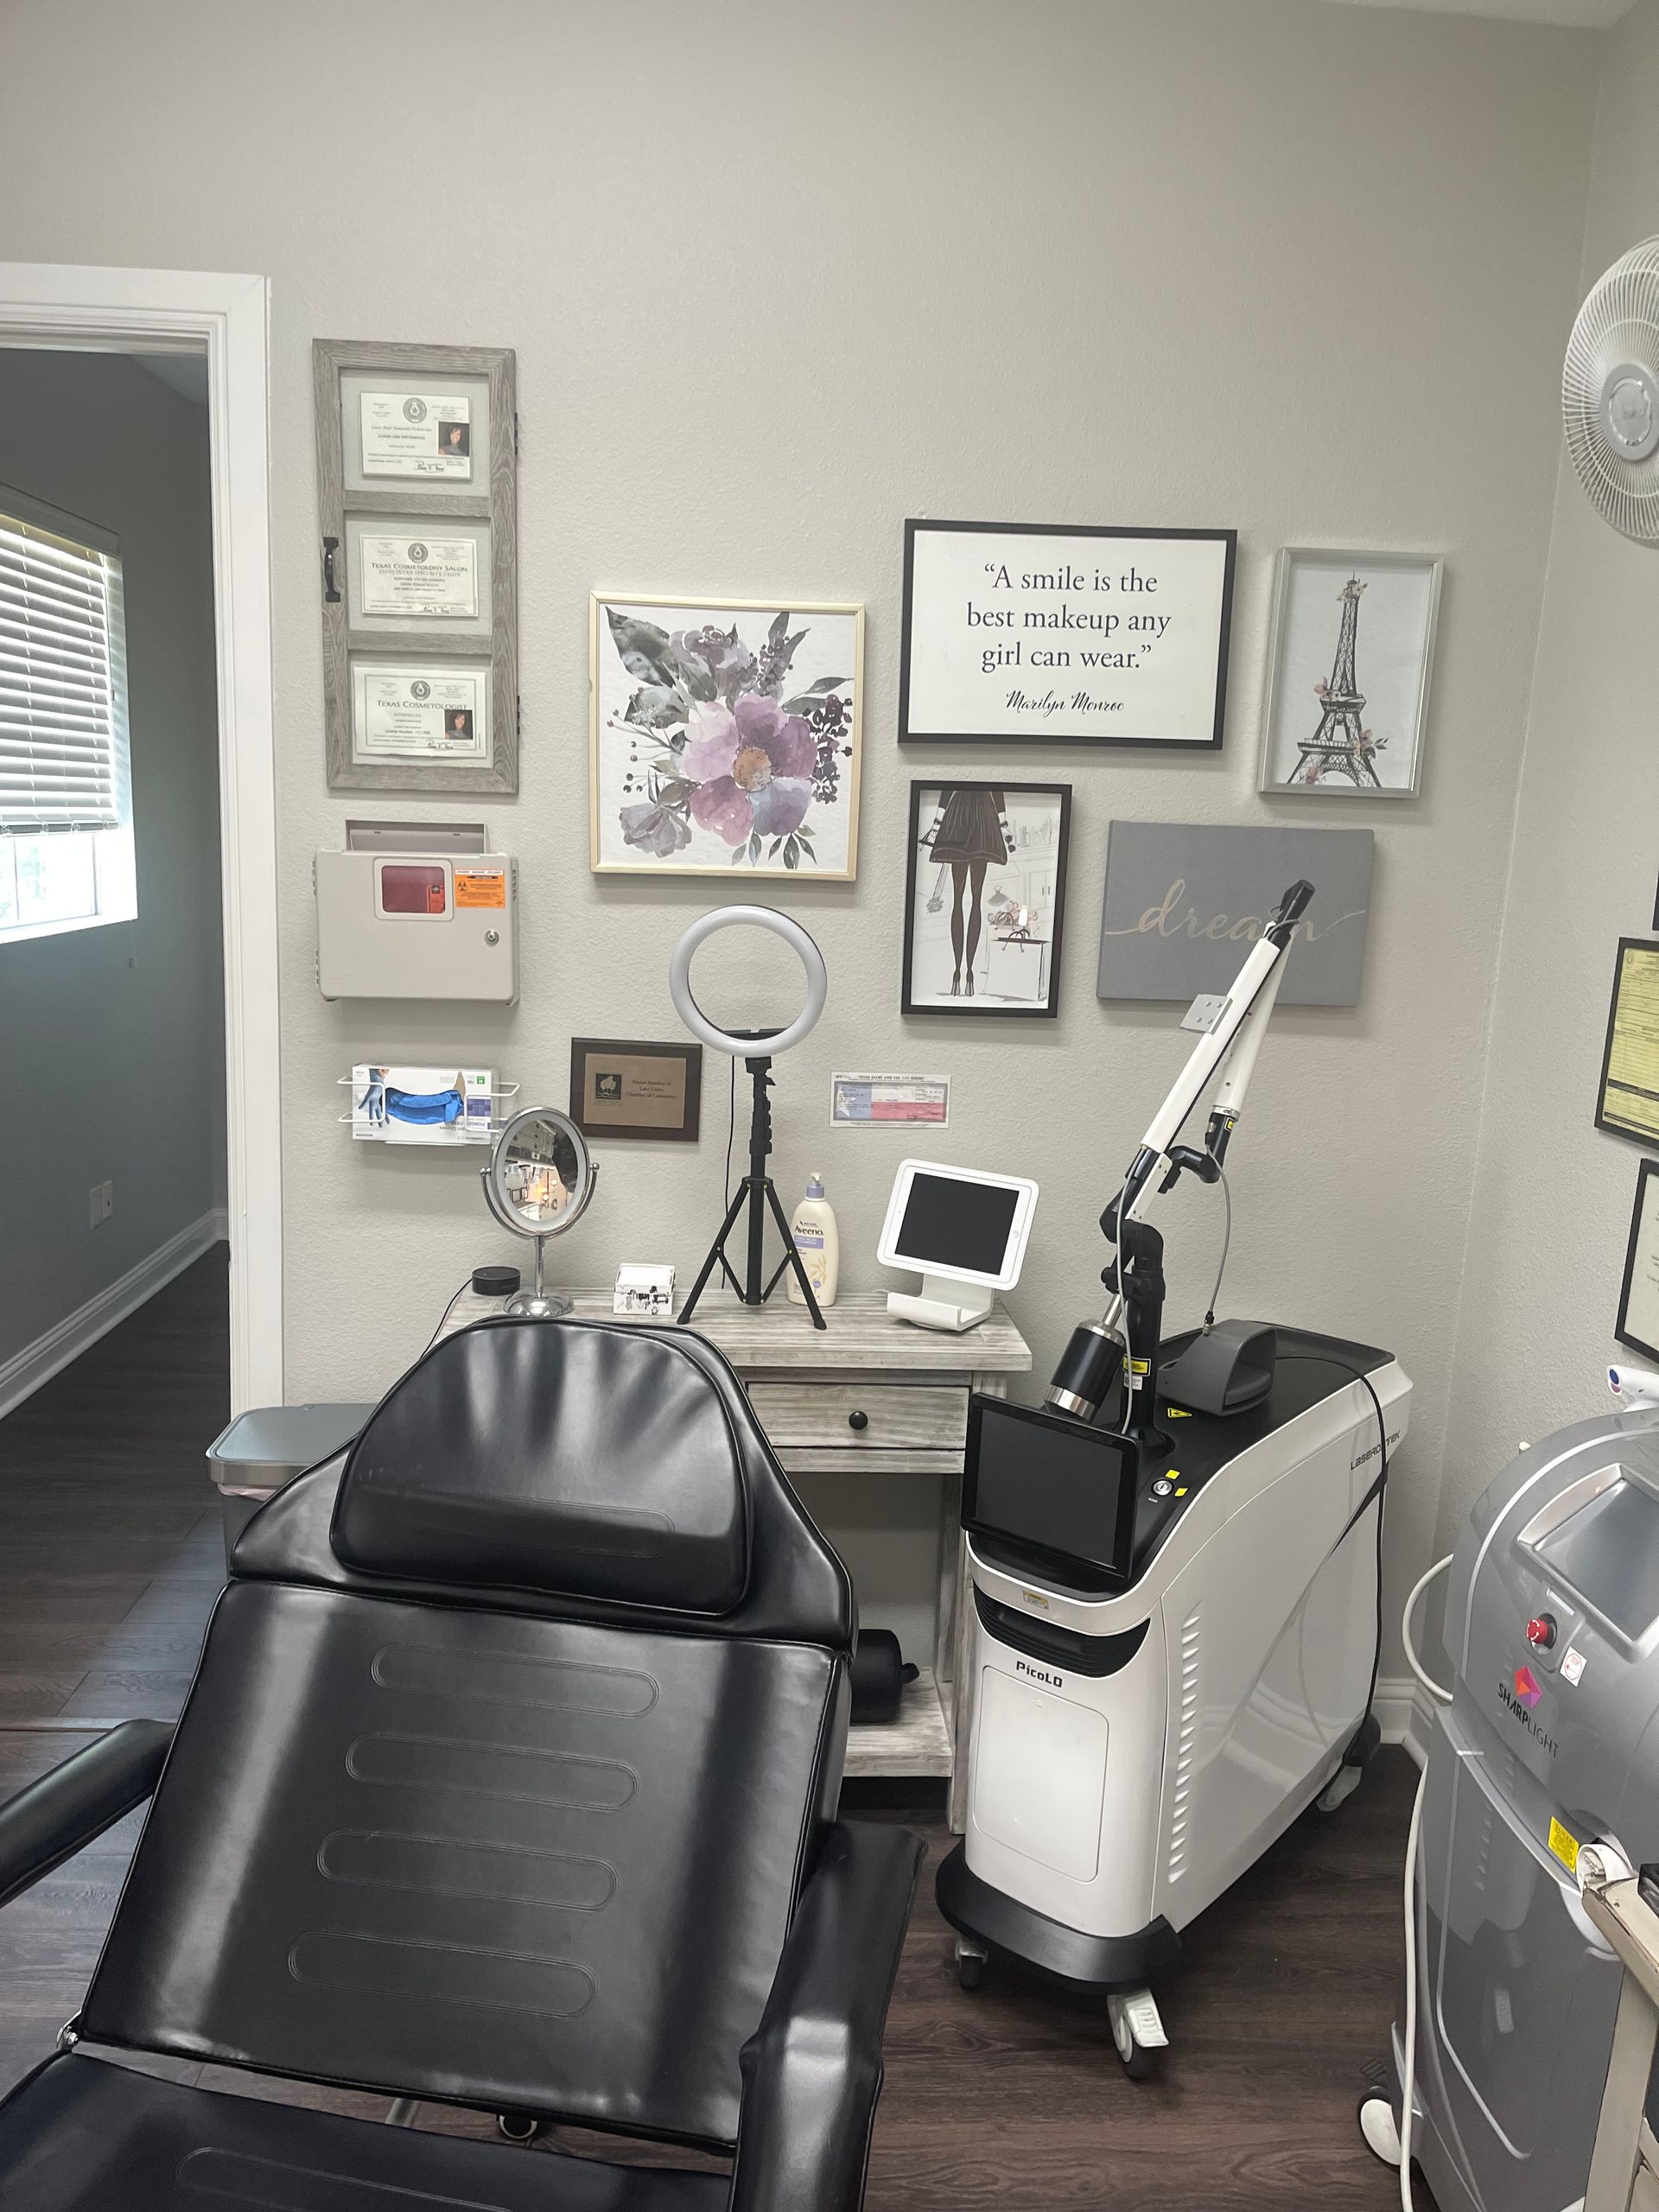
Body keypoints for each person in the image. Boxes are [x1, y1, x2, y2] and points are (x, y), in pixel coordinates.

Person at [919, 789, 1014, 998]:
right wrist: (1003, 825)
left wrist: (937, 822)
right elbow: (997, 788)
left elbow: (948, 787)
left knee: (959, 901)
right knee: (975, 902)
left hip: (959, 820)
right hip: (983, 821)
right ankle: (968, 973)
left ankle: (958, 972)